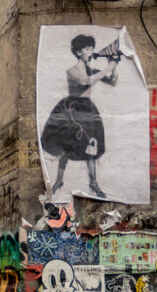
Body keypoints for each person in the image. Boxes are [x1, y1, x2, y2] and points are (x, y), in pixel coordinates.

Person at [40, 33, 118, 198]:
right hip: (72, 110)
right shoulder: (72, 70)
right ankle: (59, 180)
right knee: (67, 147)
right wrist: (107, 68)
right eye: (87, 49)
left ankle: (93, 184)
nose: (91, 52)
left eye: (91, 48)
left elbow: (112, 81)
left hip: (87, 109)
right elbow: (85, 81)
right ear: (78, 52)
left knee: (91, 146)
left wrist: (114, 66)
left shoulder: (92, 70)